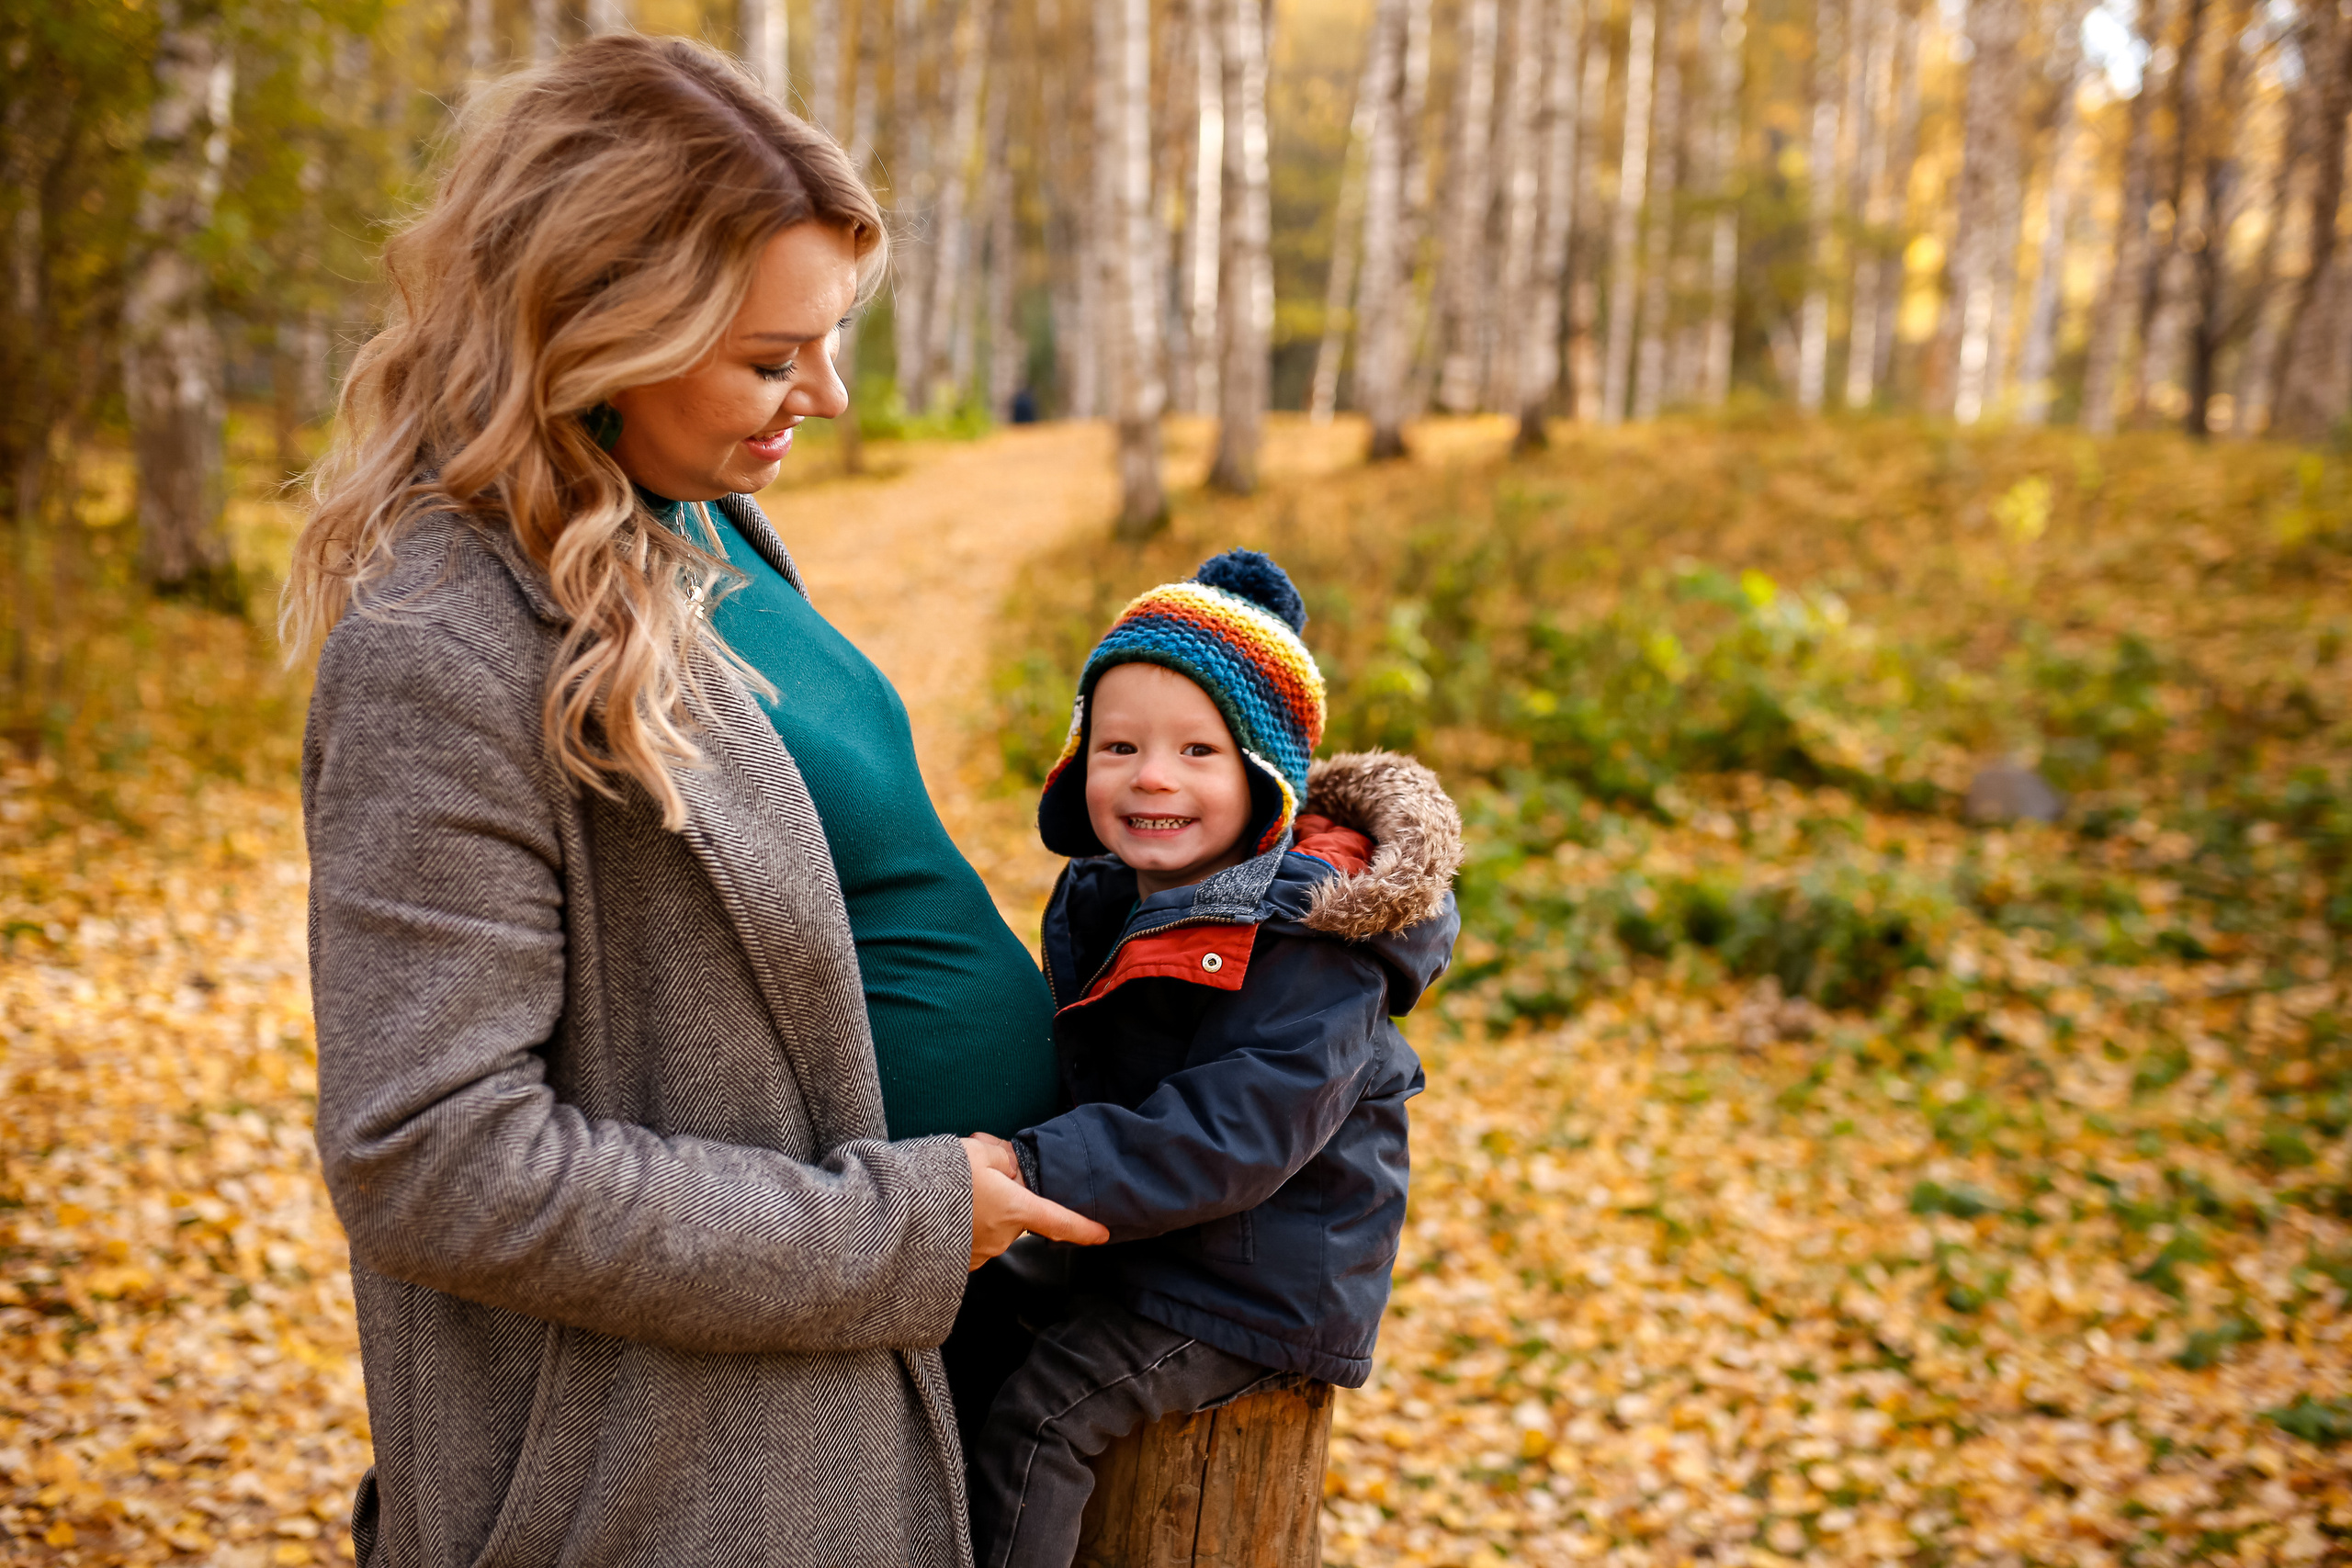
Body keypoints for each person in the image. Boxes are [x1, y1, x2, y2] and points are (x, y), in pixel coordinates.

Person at [286, 34, 1102, 1568]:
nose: (830, 395)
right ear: (597, 327)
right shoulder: (439, 644)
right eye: (773, 356)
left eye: (828, 341)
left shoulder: (701, 526)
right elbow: (434, 1162)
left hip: (908, 1374)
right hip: (696, 1476)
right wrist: (903, 1230)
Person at [959, 551, 1464, 1568]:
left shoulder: (1308, 941)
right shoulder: (1117, 895)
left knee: (1045, 1417)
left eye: (1198, 751)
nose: (1152, 775)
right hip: (1160, 1245)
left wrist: (1030, 1171)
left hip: (1255, 1283)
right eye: (1119, 746)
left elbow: (1233, 1132)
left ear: (1264, 779)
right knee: (968, 1325)